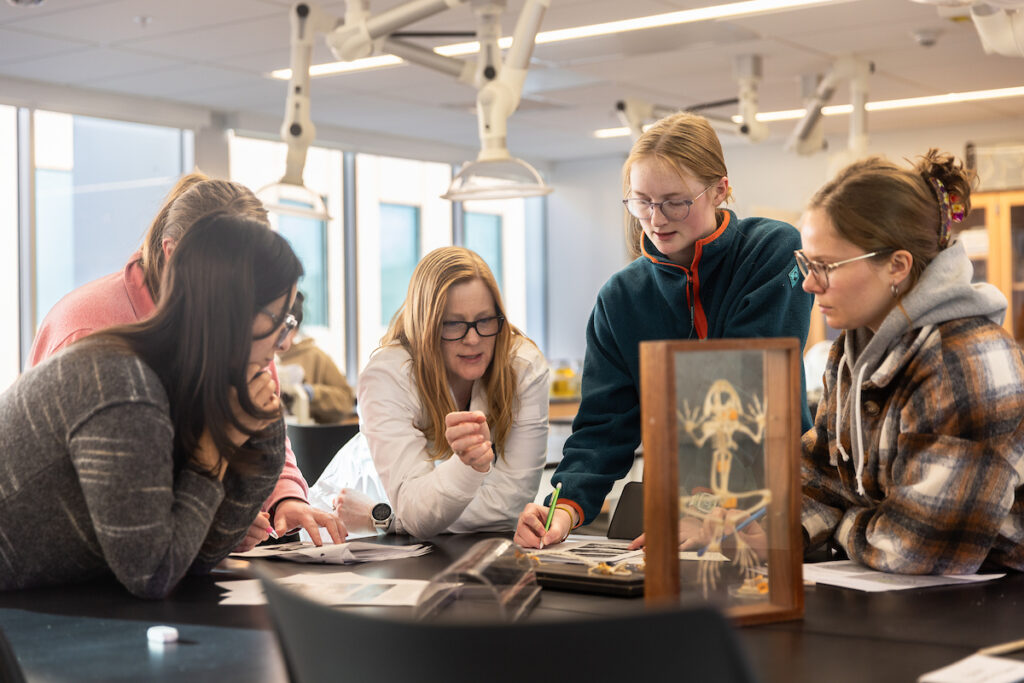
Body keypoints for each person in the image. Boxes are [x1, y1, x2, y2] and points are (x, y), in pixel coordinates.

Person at [0, 212, 345, 597]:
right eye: (278, 319)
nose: (283, 343)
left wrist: (261, 426)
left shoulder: (175, 382)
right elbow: (153, 573)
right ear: (230, 311)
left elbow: (198, 554)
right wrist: (213, 454)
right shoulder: (122, 384)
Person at [515, 112, 814, 549]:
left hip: (772, 513)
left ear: (720, 189)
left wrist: (702, 511)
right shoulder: (620, 298)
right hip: (679, 517)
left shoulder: (772, 252)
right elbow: (603, 426)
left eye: (675, 202)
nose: (655, 219)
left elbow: (747, 392)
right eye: (641, 202)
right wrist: (561, 507)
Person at [800, 149, 1024, 574]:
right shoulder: (852, 351)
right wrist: (763, 528)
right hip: (914, 600)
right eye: (807, 263)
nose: (810, 283)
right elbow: (821, 475)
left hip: (998, 607)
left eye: (825, 266)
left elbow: (919, 547)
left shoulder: (966, 361)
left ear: (897, 266)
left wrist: (842, 526)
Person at [331, 247, 549, 538]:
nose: (473, 339)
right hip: (349, 532)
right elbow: (418, 515)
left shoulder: (522, 365)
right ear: (426, 325)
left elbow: (510, 506)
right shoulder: (388, 374)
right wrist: (468, 466)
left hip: (375, 519)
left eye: (485, 320)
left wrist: (387, 518)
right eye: (453, 324)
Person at [276, 291, 356, 423]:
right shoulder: (258, 357)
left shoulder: (314, 356)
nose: (280, 342)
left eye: (286, 329)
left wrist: (312, 393)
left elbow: (346, 401)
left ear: (295, 330)